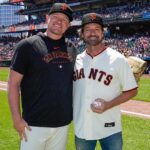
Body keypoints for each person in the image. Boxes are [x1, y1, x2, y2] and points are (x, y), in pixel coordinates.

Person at [8, 3, 77, 150]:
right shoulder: (27, 45)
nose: (59, 21)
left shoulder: (72, 48)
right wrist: (16, 118)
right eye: (56, 17)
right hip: (33, 124)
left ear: (69, 25)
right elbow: (13, 84)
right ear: (47, 18)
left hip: (62, 123)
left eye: (64, 19)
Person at [73, 13, 138, 150]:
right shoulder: (76, 60)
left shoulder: (118, 59)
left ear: (103, 33)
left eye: (97, 29)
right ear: (82, 34)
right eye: (88, 29)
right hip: (82, 126)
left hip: (110, 127)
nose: (92, 33)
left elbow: (132, 90)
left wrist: (108, 104)